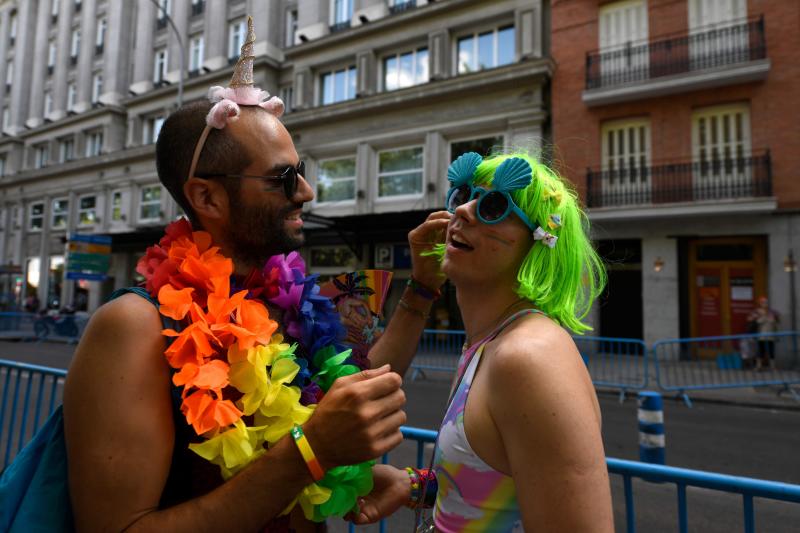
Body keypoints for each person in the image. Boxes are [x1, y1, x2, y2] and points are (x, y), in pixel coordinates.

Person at [60, 18, 446, 533]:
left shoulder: (287, 301)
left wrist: (423, 286)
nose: (306, 192)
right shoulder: (134, 325)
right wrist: (309, 452)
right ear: (207, 197)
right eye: (284, 178)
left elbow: (357, 386)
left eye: (300, 172)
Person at [353, 151, 614, 531]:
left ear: (539, 243)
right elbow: (500, 485)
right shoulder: (491, 342)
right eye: (463, 196)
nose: (463, 211)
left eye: (493, 206)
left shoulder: (528, 357)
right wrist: (418, 486)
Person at [747, 296, 779, 371]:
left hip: (770, 334)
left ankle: (772, 366)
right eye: (763, 302)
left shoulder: (771, 312)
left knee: (771, 350)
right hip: (761, 334)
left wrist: (774, 319)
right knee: (761, 350)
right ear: (760, 303)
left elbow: (776, 322)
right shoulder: (756, 311)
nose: (765, 303)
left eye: (766, 302)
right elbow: (750, 320)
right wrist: (760, 317)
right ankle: (758, 366)